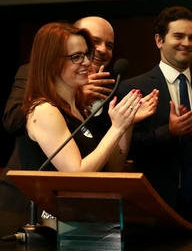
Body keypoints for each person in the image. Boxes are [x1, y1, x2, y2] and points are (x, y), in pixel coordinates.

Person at [18, 22, 143, 173]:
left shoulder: (79, 108)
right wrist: (116, 128)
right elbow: (76, 174)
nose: (87, 62)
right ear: (52, 62)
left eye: (86, 55)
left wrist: (127, 123)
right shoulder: (45, 110)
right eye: (76, 57)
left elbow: (111, 168)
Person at [119, 6, 192, 225]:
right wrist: (168, 132)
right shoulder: (134, 88)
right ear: (159, 40)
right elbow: (124, 147)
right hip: (154, 204)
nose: (186, 43)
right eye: (178, 36)